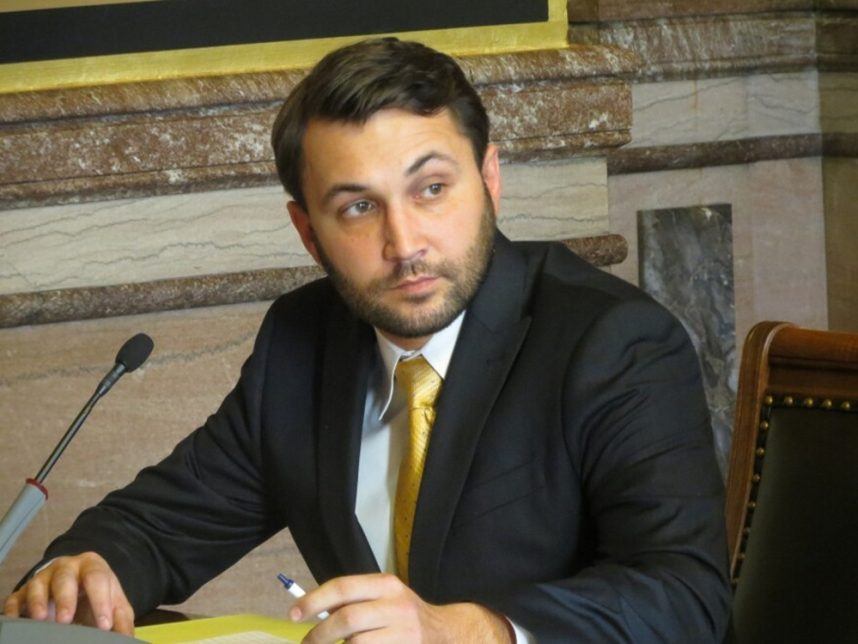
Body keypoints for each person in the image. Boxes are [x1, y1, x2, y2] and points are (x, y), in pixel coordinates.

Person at [3, 38, 730, 642]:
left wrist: (466, 632)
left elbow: (686, 597)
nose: (404, 242)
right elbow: (160, 526)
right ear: (308, 233)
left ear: (490, 179)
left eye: (432, 189)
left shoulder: (614, 342)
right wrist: (88, 568)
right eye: (357, 207)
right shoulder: (303, 342)